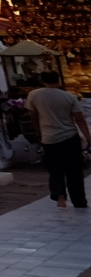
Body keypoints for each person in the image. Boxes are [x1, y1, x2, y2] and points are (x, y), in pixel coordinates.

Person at [25, 71, 90, 208]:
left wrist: (39, 132)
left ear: (42, 80)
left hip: (49, 138)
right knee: (74, 170)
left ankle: (60, 197)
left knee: (55, 169)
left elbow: (33, 116)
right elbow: (79, 119)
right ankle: (79, 200)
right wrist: (88, 138)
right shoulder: (69, 97)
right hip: (69, 137)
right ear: (58, 80)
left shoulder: (34, 95)